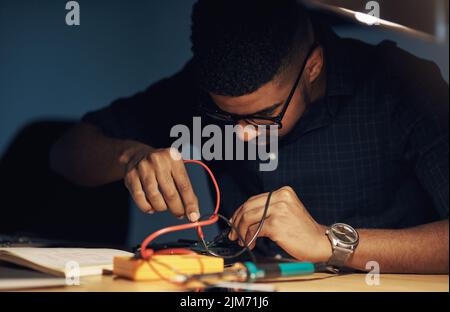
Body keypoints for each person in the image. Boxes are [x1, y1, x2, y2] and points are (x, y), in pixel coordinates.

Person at [50, 0, 449, 273]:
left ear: (312, 67)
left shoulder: (401, 85)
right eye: (223, 115)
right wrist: (128, 157)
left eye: (264, 115)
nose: (241, 134)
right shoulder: (202, 87)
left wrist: (330, 243)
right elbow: (65, 153)